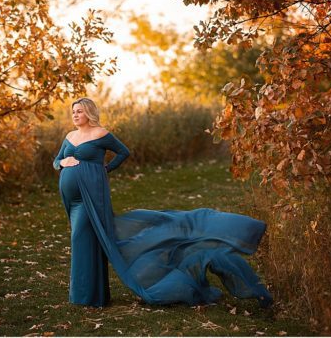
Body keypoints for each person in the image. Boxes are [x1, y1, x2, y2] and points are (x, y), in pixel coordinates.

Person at [54, 98, 272, 308]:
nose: (75, 115)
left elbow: (123, 152)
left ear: (89, 113)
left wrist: (104, 169)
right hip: (71, 199)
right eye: (73, 111)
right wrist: (63, 162)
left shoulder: (100, 134)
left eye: (79, 111)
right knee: (84, 239)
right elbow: (56, 161)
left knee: (80, 236)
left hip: (91, 195)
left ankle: (86, 295)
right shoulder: (70, 136)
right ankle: (90, 296)